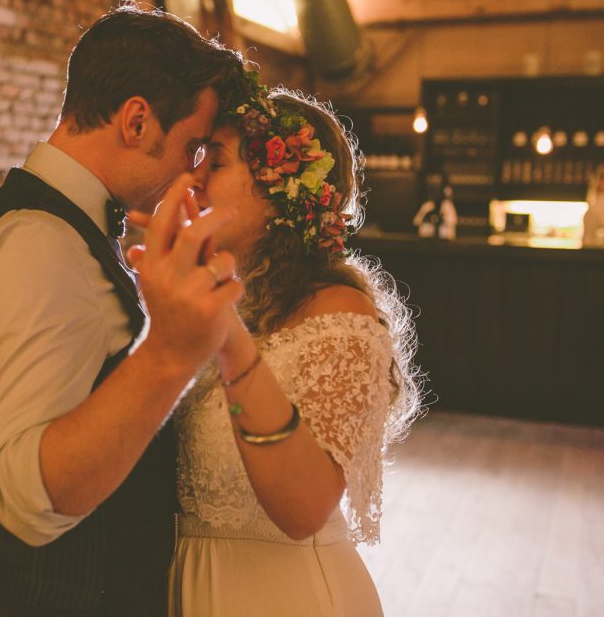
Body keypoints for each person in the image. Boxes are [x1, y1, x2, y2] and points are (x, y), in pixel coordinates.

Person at [0, 4, 246, 616]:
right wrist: (169, 351)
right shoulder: (36, 241)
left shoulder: (75, 229)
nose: (192, 172)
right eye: (191, 147)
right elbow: (27, 500)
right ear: (137, 121)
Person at [137, 75, 422, 615]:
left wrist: (226, 333)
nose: (192, 178)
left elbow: (305, 507)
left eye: (214, 162)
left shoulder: (341, 316)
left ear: (277, 188)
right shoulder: (227, 299)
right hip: (191, 587)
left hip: (286, 595)